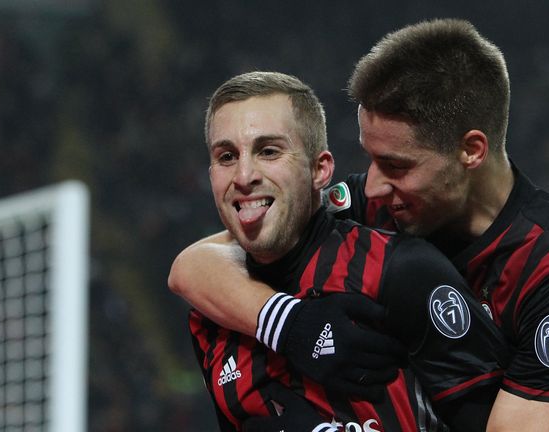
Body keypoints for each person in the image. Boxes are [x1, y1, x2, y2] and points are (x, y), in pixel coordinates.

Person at [170, 19, 549, 431]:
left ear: (471, 152)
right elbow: (196, 264)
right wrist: (290, 325)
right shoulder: (376, 203)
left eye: (395, 164)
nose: (374, 185)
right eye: (369, 156)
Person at [185, 70, 510, 431]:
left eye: (269, 151)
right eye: (227, 156)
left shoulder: (402, 272)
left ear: (320, 170)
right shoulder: (210, 320)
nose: (244, 176)